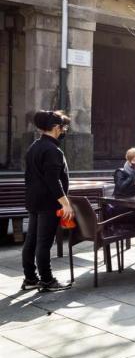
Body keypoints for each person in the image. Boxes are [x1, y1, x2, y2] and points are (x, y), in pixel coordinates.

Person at [21, 110, 73, 292]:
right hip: (48, 203)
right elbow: (53, 180)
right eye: (63, 126)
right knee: (44, 243)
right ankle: (47, 281)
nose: (64, 130)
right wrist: (65, 203)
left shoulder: (34, 146)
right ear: (56, 128)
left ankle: (30, 278)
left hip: (34, 201)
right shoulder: (52, 150)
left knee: (32, 241)